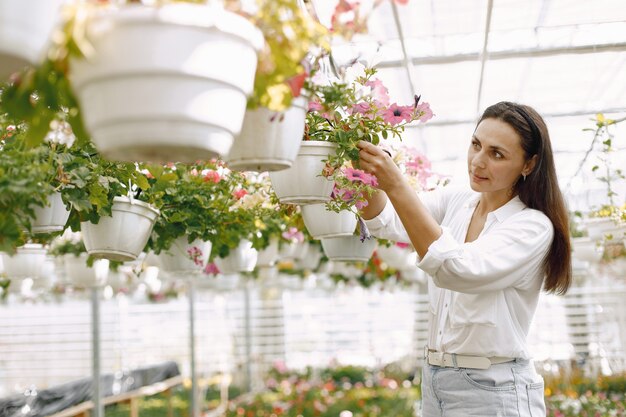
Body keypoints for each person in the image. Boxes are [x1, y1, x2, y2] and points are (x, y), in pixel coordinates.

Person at [357, 101, 572, 417]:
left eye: (496, 154)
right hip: (435, 382)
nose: (478, 161)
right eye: (476, 145)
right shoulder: (458, 200)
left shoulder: (532, 227)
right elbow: (388, 219)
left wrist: (396, 182)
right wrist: (367, 170)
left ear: (529, 164)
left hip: (492, 390)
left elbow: (456, 269)